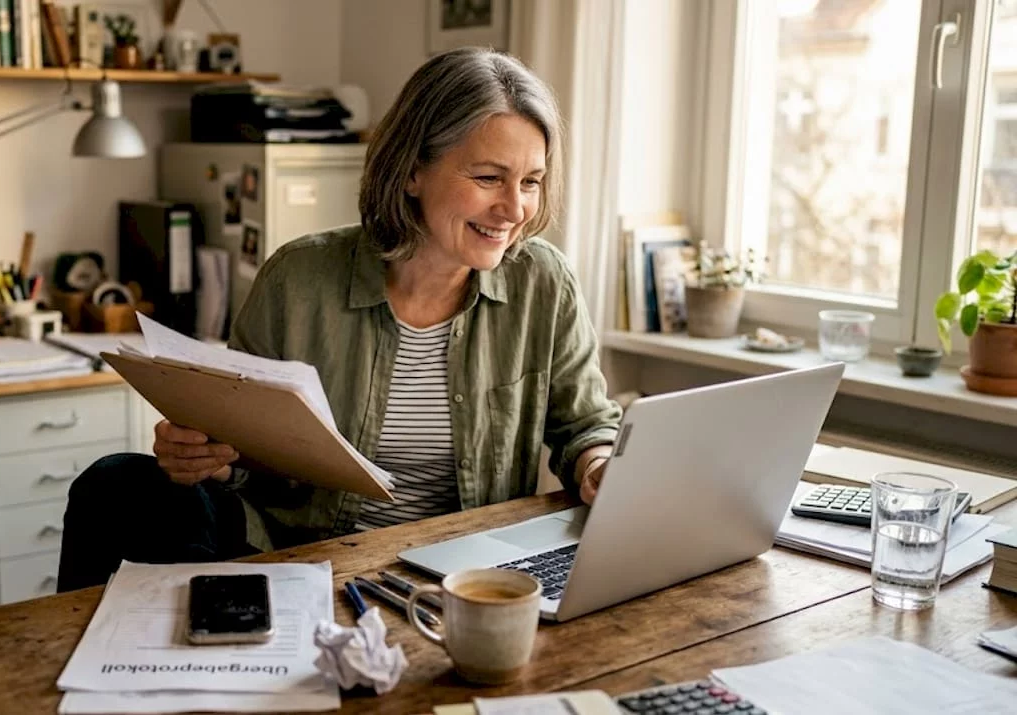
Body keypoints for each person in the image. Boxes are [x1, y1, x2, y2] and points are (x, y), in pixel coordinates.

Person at [56, 47, 622, 592]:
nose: (515, 209)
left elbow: (585, 426)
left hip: (460, 569)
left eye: (530, 181)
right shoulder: (297, 278)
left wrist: (598, 464)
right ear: (413, 171)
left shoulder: (544, 281)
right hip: (304, 554)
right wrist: (204, 455)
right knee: (116, 483)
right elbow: (240, 451)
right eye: (488, 178)